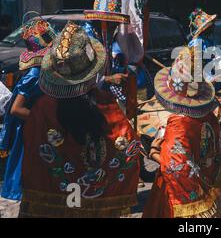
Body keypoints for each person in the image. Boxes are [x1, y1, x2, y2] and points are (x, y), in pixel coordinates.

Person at [19, 23, 140, 217]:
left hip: (55, 203)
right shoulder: (105, 103)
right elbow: (127, 146)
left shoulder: (42, 108)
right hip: (96, 204)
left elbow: (33, 158)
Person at [143, 47, 221, 218]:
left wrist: (154, 153)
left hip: (184, 195)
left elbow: (176, 166)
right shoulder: (208, 115)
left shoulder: (179, 124)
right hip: (208, 183)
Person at [0, 19, 56, 201]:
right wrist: (44, 118)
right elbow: (16, 109)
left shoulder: (42, 71)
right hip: (30, 133)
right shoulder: (35, 75)